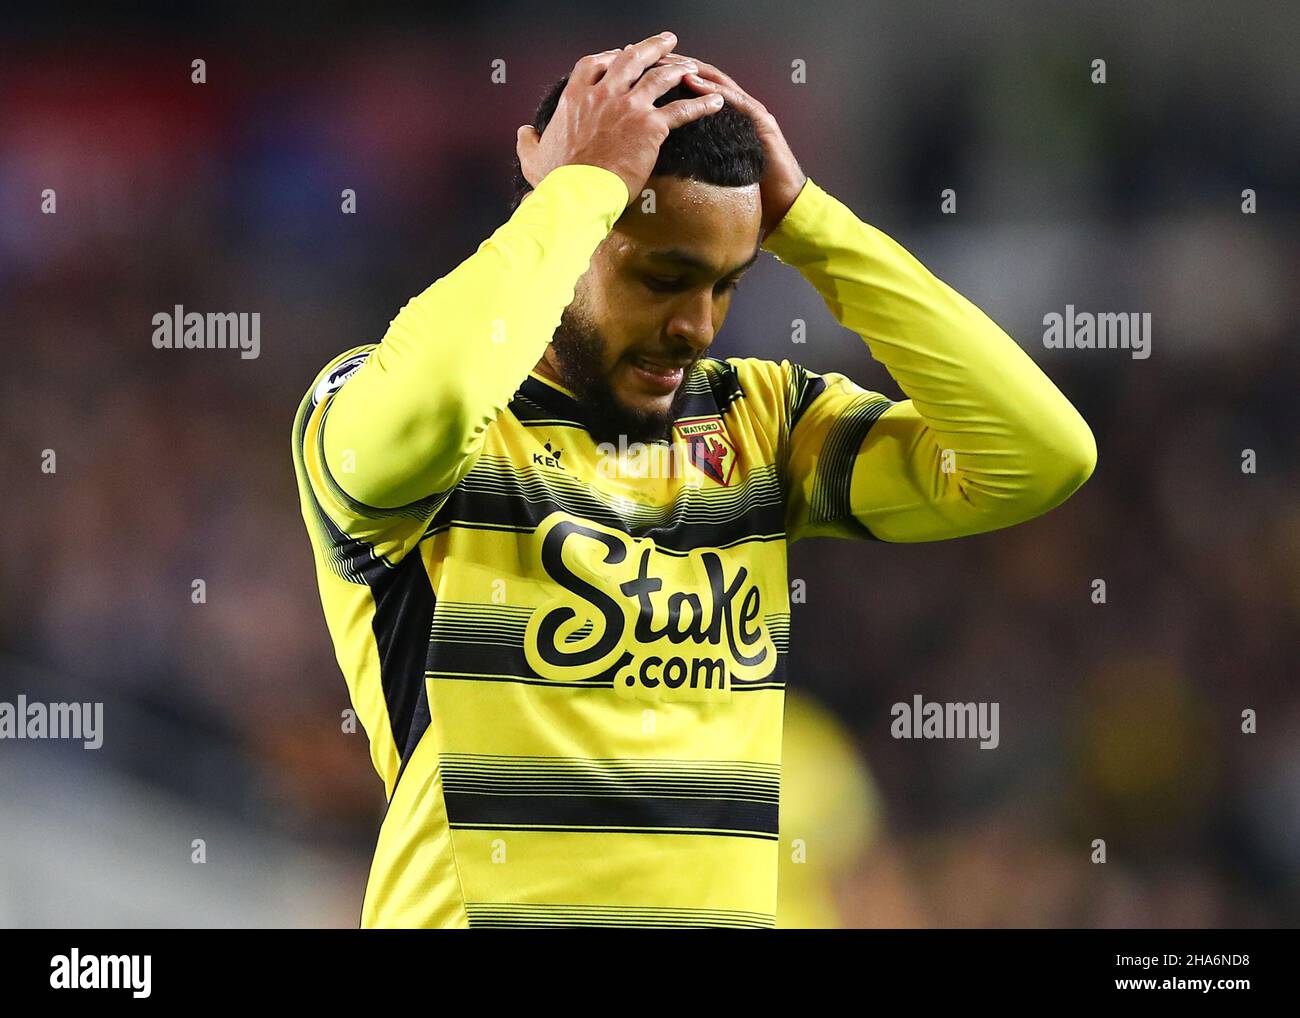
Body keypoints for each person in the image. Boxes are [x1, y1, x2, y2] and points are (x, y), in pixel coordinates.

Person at [291, 31, 1096, 928]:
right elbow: (426, 409)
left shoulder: (759, 425)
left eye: (725, 286)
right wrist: (577, 193)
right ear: (570, 231)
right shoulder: (388, 415)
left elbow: (1039, 455)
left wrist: (816, 230)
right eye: (665, 277)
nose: (697, 326)